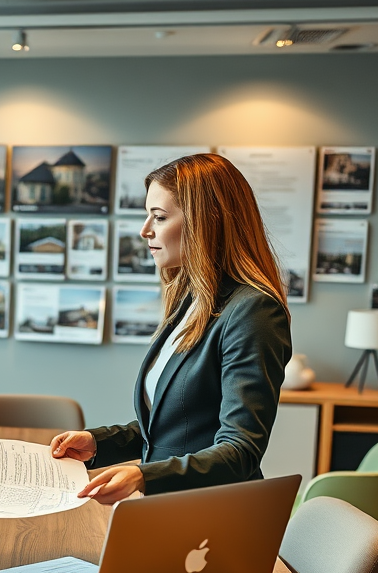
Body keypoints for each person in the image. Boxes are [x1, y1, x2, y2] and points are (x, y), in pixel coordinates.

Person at [51, 153, 292, 503]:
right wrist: (97, 443)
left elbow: (241, 450)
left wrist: (143, 475)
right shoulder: (193, 298)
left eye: (159, 217)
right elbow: (176, 426)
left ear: (205, 222)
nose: (144, 230)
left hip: (215, 516)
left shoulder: (254, 310)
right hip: (172, 508)